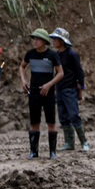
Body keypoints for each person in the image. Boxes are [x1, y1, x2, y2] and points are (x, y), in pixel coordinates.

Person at [19, 28, 64, 159]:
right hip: (33, 91)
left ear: (44, 41)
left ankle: (52, 152)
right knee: (34, 121)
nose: (35, 41)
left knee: (51, 121)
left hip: (48, 93)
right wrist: (23, 80)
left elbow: (60, 73)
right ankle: (34, 151)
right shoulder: (30, 54)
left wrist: (49, 84)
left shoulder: (52, 55)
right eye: (34, 39)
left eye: (38, 39)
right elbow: (22, 66)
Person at [49, 28, 88, 152]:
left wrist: (80, 88)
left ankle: (84, 142)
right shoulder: (56, 55)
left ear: (62, 41)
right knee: (63, 116)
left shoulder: (72, 54)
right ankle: (69, 142)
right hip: (59, 88)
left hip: (70, 88)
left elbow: (79, 72)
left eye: (56, 39)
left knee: (73, 115)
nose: (53, 41)